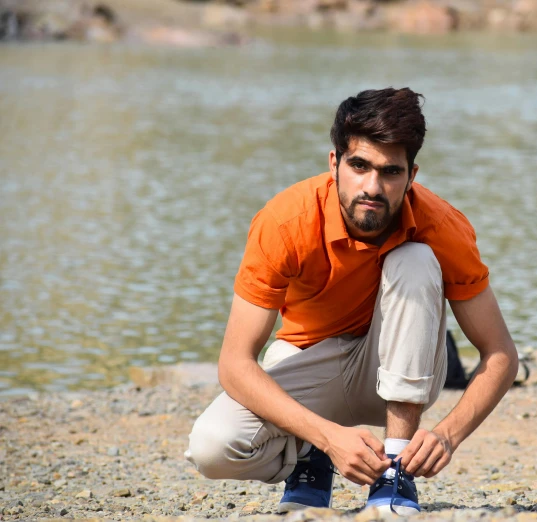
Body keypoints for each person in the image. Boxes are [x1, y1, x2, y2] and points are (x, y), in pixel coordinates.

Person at [184, 87, 519, 515]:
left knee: (415, 260)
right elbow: (234, 363)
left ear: (411, 175)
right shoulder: (284, 222)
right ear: (334, 163)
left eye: (390, 172)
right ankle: (308, 457)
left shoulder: (443, 226)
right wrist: (326, 437)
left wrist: (448, 435)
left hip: (395, 368)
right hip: (312, 362)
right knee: (212, 448)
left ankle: (395, 473)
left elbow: (500, 354)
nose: (372, 186)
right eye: (359, 165)